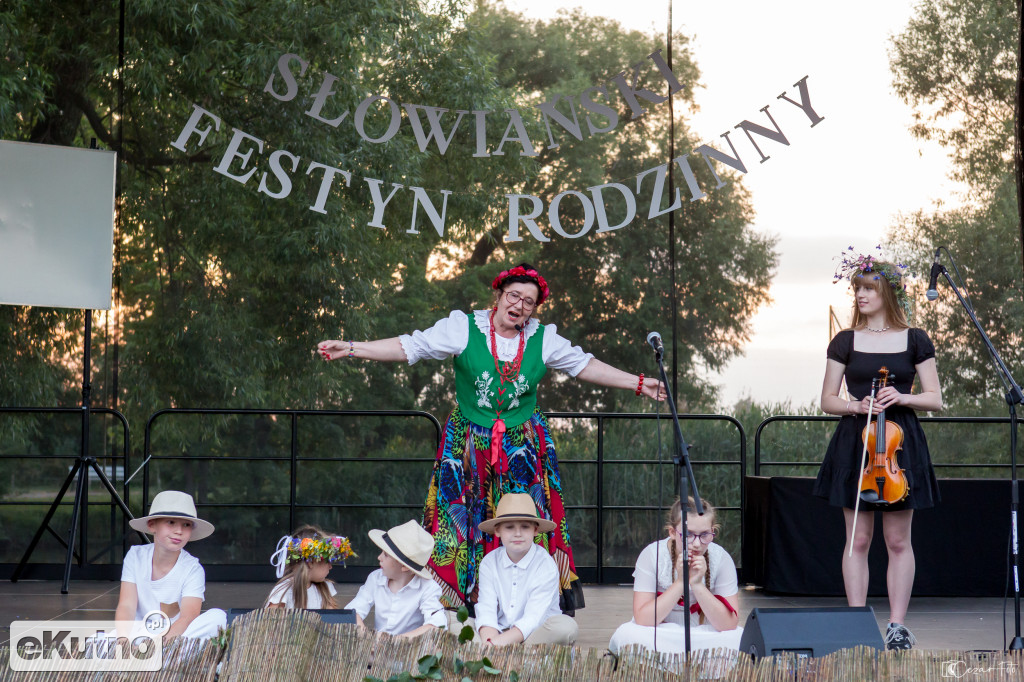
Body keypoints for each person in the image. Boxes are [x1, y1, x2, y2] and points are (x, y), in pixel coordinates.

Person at [317, 263, 666, 612]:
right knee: (457, 521)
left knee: (522, 517)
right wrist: (351, 347)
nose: (521, 306)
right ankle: (457, 603)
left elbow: (584, 365)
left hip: (521, 442)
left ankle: (529, 601)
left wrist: (638, 383)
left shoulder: (543, 338)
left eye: (530, 302)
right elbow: (411, 346)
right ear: (499, 295)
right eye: (515, 295)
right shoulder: (463, 328)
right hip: (467, 439)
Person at [813, 250, 943, 650]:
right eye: (857, 290)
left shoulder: (916, 338)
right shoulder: (845, 340)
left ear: (887, 292)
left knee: (899, 541)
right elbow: (827, 400)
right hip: (857, 442)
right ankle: (857, 625)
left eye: (869, 289)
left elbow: (935, 398)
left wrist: (902, 398)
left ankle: (897, 626)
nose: (861, 296)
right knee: (858, 539)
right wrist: (856, 405)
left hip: (899, 444)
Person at [608, 497, 741, 655]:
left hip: (705, 634)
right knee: (629, 634)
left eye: (705, 535)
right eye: (689, 534)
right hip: (662, 633)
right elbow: (642, 619)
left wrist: (698, 584)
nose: (697, 544)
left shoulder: (721, 559)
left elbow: (729, 624)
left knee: (738, 638)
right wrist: (680, 582)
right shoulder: (651, 555)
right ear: (672, 532)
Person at [115, 490, 226, 641]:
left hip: (175, 638)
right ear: (152, 525)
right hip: (141, 633)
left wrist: (158, 646)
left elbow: (188, 618)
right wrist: (123, 639)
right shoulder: (135, 557)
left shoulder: (193, 569)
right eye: (171, 522)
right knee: (96, 640)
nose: (179, 531)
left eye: (186, 525)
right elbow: (127, 606)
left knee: (217, 617)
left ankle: (158, 658)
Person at [474, 493, 578, 647]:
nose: (517, 533)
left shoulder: (545, 565)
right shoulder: (489, 563)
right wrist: (490, 640)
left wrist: (497, 644)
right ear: (497, 531)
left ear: (535, 530)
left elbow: (533, 618)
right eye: (509, 527)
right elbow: (486, 608)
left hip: (535, 634)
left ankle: (511, 650)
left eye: (525, 527)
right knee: (452, 620)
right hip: (500, 632)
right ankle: (495, 650)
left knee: (566, 627)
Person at [345, 520, 447, 638]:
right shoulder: (376, 578)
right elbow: (353, 612)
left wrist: (397, 641)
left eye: (386, 555)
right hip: (376, 649)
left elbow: (437, 625)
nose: (379, 557)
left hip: (409, 650)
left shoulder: (428, 588)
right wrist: (365, 636)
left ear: (404, 566)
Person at [266, 524, 355, 609]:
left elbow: (331, 621)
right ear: (310, 562)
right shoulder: (284, 591)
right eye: (327, 561)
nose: (330, 566)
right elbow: (272, 622)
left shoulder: (326, 588)